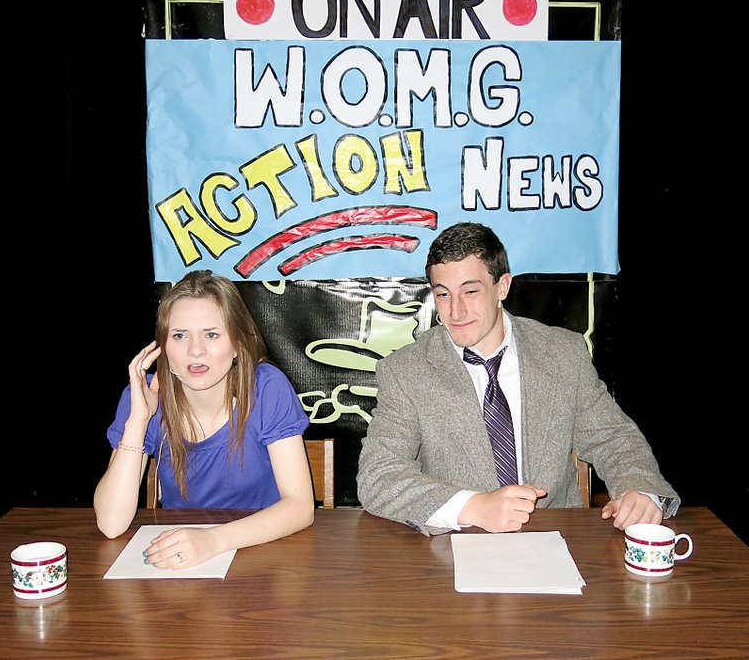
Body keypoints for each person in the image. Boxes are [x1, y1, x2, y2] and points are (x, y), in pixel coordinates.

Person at [356, 222, 679, 536]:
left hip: (556, 533)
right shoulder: (406, 371)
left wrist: (641, 491)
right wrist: (475, 507)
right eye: (443, 294)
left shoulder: (562, 353)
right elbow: (378, 475)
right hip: (458, 541)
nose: (455, 311)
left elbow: (612, 438)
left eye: (470, 291)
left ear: (502, 286)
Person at [94, 270, 314, 567]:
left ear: (236, 344)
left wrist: (212, 540)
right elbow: (111, 523)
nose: (195, 350)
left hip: (264, 553)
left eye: (211, 334)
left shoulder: (266, 387)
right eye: (180, 335)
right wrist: (138, 421)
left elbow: (300, 507)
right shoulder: (141, 397)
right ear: (163, 348)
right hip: (182, 558)